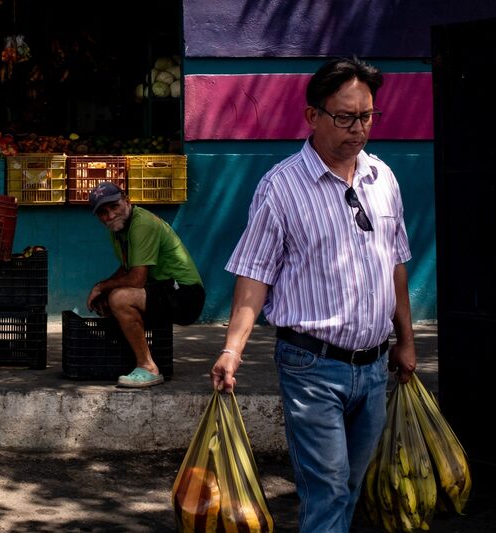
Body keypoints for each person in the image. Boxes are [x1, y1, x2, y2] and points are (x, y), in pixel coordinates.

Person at [209, 56, 417, 532]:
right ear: (313, 116)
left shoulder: (383, 179)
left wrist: (405, 343)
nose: (358, 128)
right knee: (327, 488)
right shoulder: (280, 188)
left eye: (366, 116)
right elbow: (254, 276)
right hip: (311, 366)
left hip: (373, 367)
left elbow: (396, 268)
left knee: (350, 487)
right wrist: (231, 350)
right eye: (344, 117)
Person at [87, 182, 205, 388]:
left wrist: (101, 287)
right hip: (164, 289)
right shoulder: (118, 229)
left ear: (127, 200)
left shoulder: (142, 224)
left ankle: (148, 367)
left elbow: (136, 280)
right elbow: (127, 268)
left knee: (120, 298)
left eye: (114, 206)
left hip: (185, 294)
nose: (110, 215)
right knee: (111, 299)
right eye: (103, 212)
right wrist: (104, 289)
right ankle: (134, 358)